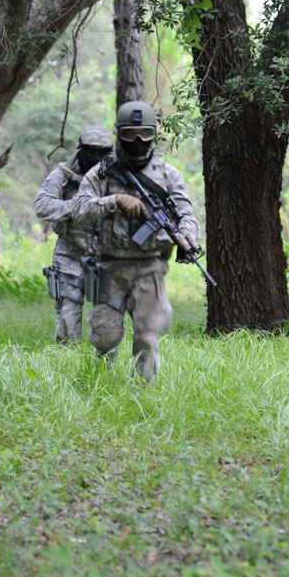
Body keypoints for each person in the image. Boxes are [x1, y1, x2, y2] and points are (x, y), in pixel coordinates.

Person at [72, 100, 201, 380]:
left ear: (154, 133)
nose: (138, 141)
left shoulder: (167, 175)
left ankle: (144, 395)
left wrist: (187, 239)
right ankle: (99, 377)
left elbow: (185, 214)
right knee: (105, 337)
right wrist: (115, 200)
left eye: (145, 134)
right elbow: (79, 209)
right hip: (109, 266)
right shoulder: (103, 173)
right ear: (119, 134)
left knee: (147, 332)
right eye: (130, 135)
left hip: (150, 267)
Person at [34, 125, 113, 343]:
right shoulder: (63, 173)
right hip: (70, 251)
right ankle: (67, 365)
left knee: (107, 319)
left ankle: (104, 368)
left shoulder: (118, 173)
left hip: (108, 253)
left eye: (102, 152)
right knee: (68, 315)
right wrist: (78, 208)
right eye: (90, 152)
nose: (96, 158)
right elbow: (42, 205)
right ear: (81, 150)